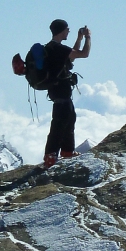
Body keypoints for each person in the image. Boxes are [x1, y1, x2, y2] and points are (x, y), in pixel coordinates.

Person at [42, 19, 91, 168]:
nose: (68, 31)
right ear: (61, 31)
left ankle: (67, 150)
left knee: (69, 117)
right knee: (59, 122)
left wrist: (79, 38)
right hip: (61, 90)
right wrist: (88, 37)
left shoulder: (50, 48)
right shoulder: (58, 48)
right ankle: (51, 155)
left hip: (56, 90)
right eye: (67, 29)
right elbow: (84, 54)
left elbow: (72, 56)